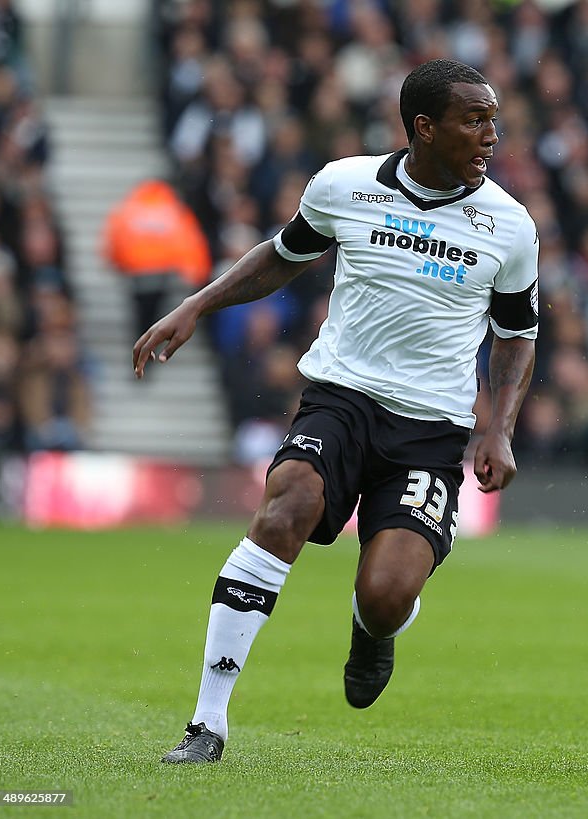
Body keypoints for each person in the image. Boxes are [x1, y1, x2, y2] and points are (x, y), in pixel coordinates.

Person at [133, 59, 539, 764]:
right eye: (475, 120)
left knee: (385, 594)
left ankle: (372, 630)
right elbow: (284, 255)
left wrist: (497, 425)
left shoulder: (508, 225)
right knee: (283, 507)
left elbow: (516, 332)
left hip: (430, 432)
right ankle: (207, 723)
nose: (490, 136)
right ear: (424, 127)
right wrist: (197, 303)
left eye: (493, 120)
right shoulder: (345, 184)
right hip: (340, 401)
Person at [104, 178, 211, 339]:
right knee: (156, 316)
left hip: (136, 274)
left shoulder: (130, 209)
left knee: (140, 315)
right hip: (161, 274)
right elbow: (188, 241)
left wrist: (117, 263)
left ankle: (140, 345)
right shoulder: (173, 210)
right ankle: (151, 345)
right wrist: (197, 273)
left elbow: (114, 238)